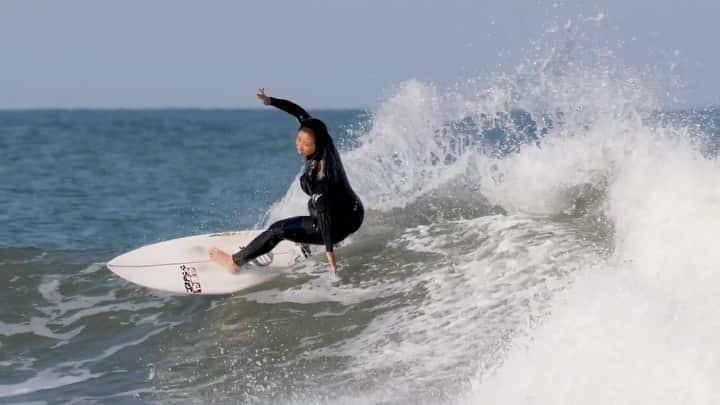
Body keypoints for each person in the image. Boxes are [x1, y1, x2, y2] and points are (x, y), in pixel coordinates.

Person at [209, 88, 364, 275]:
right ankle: (308, 243)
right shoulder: (319, 134)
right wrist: (271, 101)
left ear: (317, 145)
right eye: (299, 139)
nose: (300, 146)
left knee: (277, 230)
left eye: (306, 145)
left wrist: (329, 251)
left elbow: (322, 214)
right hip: (354, 210)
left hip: (338, 225)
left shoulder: (321, 175)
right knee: (311, 200)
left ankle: (234, 262)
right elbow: (298, 111)